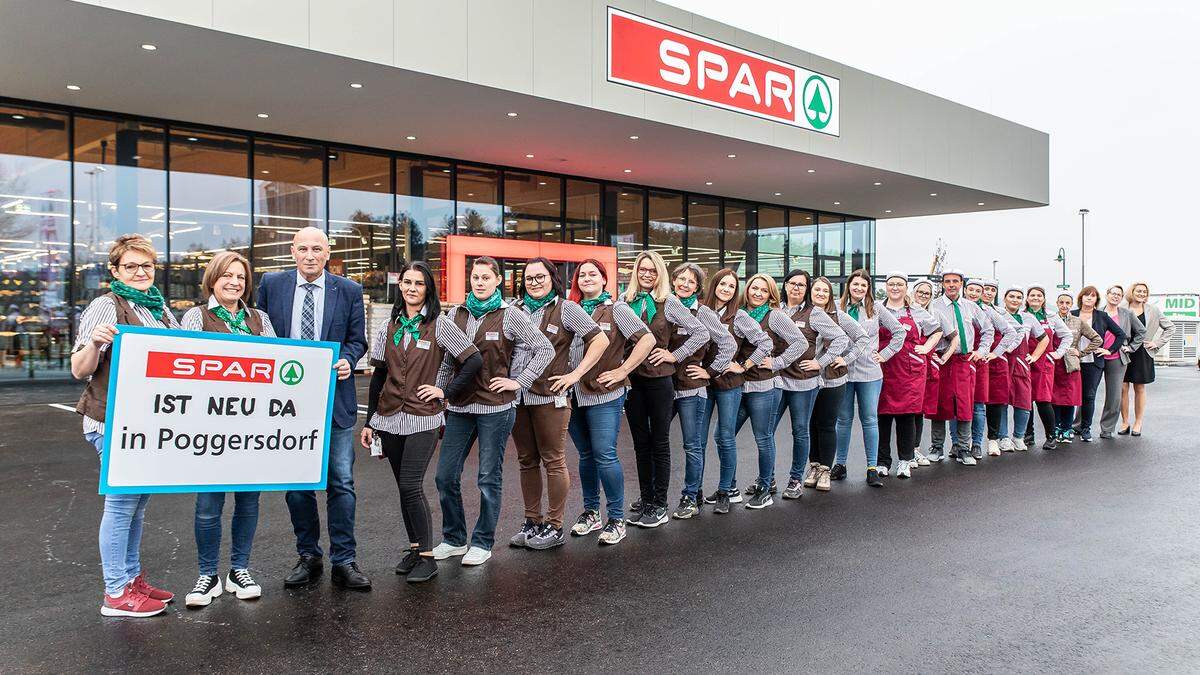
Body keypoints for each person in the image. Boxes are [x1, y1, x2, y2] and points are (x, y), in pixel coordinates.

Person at [72, 233, 179, 617]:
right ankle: (116, 592)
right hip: (111, 422)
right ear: (115, 271)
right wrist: (95, 344)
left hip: (147, 424)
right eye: (130, 266)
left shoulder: (160, 310)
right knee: (120, 505)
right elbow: (78, 369)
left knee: (137, 504)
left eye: (146, 265)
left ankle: (132, 579)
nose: (139, 272)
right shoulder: (106, 305)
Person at [258, 226, 369, 590]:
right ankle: (308, 555)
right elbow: (258, 336)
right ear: (292, 251)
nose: (309, 255)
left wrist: (349, 360)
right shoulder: (271, 286)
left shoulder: (349, 290)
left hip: (334, 400)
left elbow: (357, 341)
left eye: (317, 249)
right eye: (303, 248)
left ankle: (344, 560)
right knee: (297, 485)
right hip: (287, 405)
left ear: (327, 253)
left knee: (342, 482)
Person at [361, 261, 481, 583]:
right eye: (407, 282)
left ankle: (427, 557)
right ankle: (415, 548)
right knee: (403, 488)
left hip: (422, 417)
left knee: (412, 485)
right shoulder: (389, 326)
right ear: (400, 286)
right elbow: (379, 375)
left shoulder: (440, 325)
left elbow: (473, 361)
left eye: (419, 283)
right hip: (389, 417)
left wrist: (444, 391)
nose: (412, 288)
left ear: (428, 289)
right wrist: (371, 421)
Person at [433, 256, 553, 566]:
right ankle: (454, 538)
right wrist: (442, 395)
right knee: (445, 475)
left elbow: (545, 349)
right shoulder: (454, 314)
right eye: (476, 277)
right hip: (460, 407)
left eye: (487, 277)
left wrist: (519, 382)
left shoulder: (510, 315)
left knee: (488, 477)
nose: (480, 282)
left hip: (495, 408)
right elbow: (448, 360)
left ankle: (483, 542)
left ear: (498, 280)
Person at [180, 251, 275, 607]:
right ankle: (207, 575)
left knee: (248, 502)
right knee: (208, 504)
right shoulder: (196, 316)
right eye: (227, 276)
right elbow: (183, 365)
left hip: (251, 426)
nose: (235, 282)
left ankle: (239, 569)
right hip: (211, 427)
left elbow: (279, 364)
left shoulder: (260, 319)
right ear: (212, 279)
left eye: (241, 277)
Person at [509, 258, 607, 550]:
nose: (534, 282)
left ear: (552, 278)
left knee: (553, 460)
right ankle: (532, 522)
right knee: (527, 460)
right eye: (529, 278)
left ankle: (554, 526)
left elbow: (599, 340)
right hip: (518, 396)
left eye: (540, 277)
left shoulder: (567, 309)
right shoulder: (515, 310)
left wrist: (575, 375)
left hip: (551, 395)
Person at [566, 259, 654, 545]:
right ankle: (591, 513)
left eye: (593, 274)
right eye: (582, 275)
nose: (587, 278)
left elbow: (647, 339)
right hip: (572, 393)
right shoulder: (571, 309)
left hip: (605, 393)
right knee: (586, 455)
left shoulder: (618, 309)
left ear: (604, 280)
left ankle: (616, 518)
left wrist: (623, 370)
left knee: (605, 454)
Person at [621, 250, 706, 529]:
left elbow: (701, 332)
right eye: (642, 269)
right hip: (633, 381)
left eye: (652, 270)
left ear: (660, 274)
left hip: (660, 380)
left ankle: (659, 504)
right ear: (636, 272)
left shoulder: (667, 302)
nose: (647, 274)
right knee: (639, 443)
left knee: (659, 442)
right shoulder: (625, 301)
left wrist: (675, 355)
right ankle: (646, 501)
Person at [699, 269, 772, 513]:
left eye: (732, 286)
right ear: (714, 285)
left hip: (729, 385)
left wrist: (743, 365)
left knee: (726, 437)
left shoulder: (739, 316)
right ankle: (694, 492)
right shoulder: (700, 309)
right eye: (723, 284)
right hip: (702, 383)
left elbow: (766, 343)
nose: (726, 289)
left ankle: (725, 491)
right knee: (698, 441)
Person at [734, 273, 807, 507]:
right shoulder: (740, 313)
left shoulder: (774, 315)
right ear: (747, 290)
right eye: (754, 288)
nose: (758, 293)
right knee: (723, 436)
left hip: (765, 386)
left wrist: (777, 362)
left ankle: (765, 488)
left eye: (764, 290)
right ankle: (729, 487)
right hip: (738, 385)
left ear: (771, 295)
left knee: (763, 438)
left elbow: (801, 343)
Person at [667, 263, 735, 520]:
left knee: (692, 445)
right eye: (681, 279)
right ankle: (654, 496)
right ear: (673, 281)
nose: (685, 284)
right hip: (665, 385)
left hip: (692, 388)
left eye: (691, 282)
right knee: (657, 442)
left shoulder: (704, 313)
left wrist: (710, 371)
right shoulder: (665, 306)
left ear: (698, 288)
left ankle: (690, 496)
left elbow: (727, 343)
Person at [776, 269, 848, 498]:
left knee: (803, 429)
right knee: (767, 433)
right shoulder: (774, 309)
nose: (797, 288)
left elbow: (841, 338)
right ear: (785, 285)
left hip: (803, 381)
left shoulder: (814, 313)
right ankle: (765, 480)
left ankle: (803, 476)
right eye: (793, 283)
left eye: (802, 285)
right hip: (776, 380)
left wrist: (821, 362)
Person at [833, 269, 904, 486]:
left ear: (868, 289)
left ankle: (872, 467)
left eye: (863, 286)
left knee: (870, 419)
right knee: (843, 419)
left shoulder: (876, 308)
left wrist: (884, 355)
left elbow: (899, 332)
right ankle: (840, 464)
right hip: (841, 370)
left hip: (869, 372)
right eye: (855, 284)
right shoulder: (836, 307)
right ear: (849, 285)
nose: (859, 288)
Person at [877, 273, 947, 479]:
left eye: (899, 284)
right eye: (891, 284)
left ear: (906, 287)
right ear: (886, 287)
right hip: (883, 366)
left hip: (909, 371)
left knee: (907, 416)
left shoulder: (916, 311)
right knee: (882, 416)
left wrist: (926, 347)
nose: (895, 288)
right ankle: (882, 462)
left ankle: (905, 461)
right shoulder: (877, 309)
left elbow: (937, 331)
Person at [804, 276, 864, 491]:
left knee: (827, 424)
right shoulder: (805, 314)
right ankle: (814, 466)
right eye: (816, 290)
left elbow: (862, 339)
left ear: (830, 296)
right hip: (809, 380)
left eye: (825, 291)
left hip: (833, 379)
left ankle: (825, 471)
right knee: (811, 424)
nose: (820, 294)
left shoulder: (840, 316)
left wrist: (845, 359)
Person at [928, 270, 991, 466]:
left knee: (964, 405)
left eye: (955, 281)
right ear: (943, 284)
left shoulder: (971, 306)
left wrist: (981, 350)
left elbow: (988, 329)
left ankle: (964, 448)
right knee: (940, 405)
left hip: (964, 361)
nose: (952, 285)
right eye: (947, 281)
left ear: (961, 283)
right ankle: (937, 447)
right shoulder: (933, 305)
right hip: (942, 359)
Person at [1071, 286, 1127, 442]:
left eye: (1093, 296)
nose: (1089, 298)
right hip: (1073, 361)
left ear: (1096, 300)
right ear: (1081, 298)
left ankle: (1086, 429)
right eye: (1086, 295)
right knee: (1071, 395)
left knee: (1089, 395)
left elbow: (1120, 335)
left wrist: (1109, 350)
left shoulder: (1102, 316)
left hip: (1093, 362)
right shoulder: (1072, 314)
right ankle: (1066, 427)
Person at [996, 287, 1048, 452]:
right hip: (1002, 360)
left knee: (1024, 401)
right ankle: (1003, 437)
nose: (1015, 299)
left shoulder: (1028, 317)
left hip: (1021, 363)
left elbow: (1044, 339)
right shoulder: (997, 315)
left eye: (1019, 297)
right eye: (1011, 296)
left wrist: (1034, 357)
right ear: (1004, 298)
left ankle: (1018, 437)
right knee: (1002, 400)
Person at [1022, 286, 1072, 450]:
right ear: (1027, 298)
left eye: (1039, 295)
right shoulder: (1021, 316)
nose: (1035, 298)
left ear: (1043, 299)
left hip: (1044, 364)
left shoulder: (1051, 316)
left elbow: (1067, 335)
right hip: (1026, 360)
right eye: (1032, 295)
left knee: (1043, 400)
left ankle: (1051, 436)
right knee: (1026, 400)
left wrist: (1058, 354)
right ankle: (1027, 436)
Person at [1121, 282, 1174, 436]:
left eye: (1145, 291)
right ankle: (1124, 422)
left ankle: (1138, 422)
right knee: (1123, 388)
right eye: (1139, 291)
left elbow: (1170, 327)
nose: (1142, 294)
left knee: (1139, 388)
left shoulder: (1153, 310)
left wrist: (1156, 343)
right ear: (1132, 292)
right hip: (1124, 351)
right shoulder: (1122, 307)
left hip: (1143, 353)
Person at [1051, 292, 1102, 443]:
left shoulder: (1077, 322)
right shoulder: (1050, 319)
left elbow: (1097, 339)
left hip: (1070, 365)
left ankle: (1067, 429)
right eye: (1061, 303)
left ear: (1072, 304)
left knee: (1068, 398)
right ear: (1057, 303)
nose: (1064, 306)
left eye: (1068, 303)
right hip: (1053, 363)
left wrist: (1080, 353)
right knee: (1054, 399)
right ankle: (1055, 428)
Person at [1096, 285, 1144, 439]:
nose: (1115, 296)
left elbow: (1141, 332)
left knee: (1114, 396)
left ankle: (1107, 428)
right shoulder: (1098, 312)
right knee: (1088, 393)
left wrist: (1131, 347)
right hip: (1096, 356)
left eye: (1119, 294)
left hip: (1117, 358)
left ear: (1122, 297)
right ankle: (1079, 426)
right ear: (1107, 294)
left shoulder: (1127, 314)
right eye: (1113, 293)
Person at [980, 280, 1020, 456]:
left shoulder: (1000, 312)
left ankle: (993, 440)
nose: (988, 293)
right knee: (974, 404)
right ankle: (970, 442)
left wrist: (1001, 351)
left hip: (995, 362)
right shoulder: (969, 308)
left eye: (992, 290)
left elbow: (1017, 332)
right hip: (976, 359)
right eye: (985, 289)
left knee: (996, 402)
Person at [910, 280, 943, 466]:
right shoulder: (904, 310)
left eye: (927, 293)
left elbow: (951, 335)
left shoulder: (933, 314)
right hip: (901, 366)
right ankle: (897, 454)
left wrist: (941, 355)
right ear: (913, 292)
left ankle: (914, 450)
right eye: (920, 292)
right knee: (896, 411)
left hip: (924, 366)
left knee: (918, 409)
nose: (923, 295)